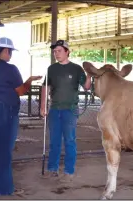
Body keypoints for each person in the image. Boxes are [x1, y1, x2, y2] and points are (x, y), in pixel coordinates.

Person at [0, 37, 42, 196]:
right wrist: (29, 80)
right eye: (10, 52)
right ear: (5, 51)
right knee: (5, 149)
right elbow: (21, 91)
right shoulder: (10, 69)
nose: (11, 55)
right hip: (5, 111)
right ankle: (4, 188)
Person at [40, 40, 91, 180]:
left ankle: (69, 171)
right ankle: (52, 169)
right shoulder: (51, 69)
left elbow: (86, 87)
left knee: (69, 140)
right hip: (55, 110)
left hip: (70, 110)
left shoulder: (76, 69)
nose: (56, 53)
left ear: (67, 51)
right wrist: (43, 106)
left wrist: (90, 75)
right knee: (54, 141)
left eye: (59, 51)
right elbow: (45, 87)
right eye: (54, 51)